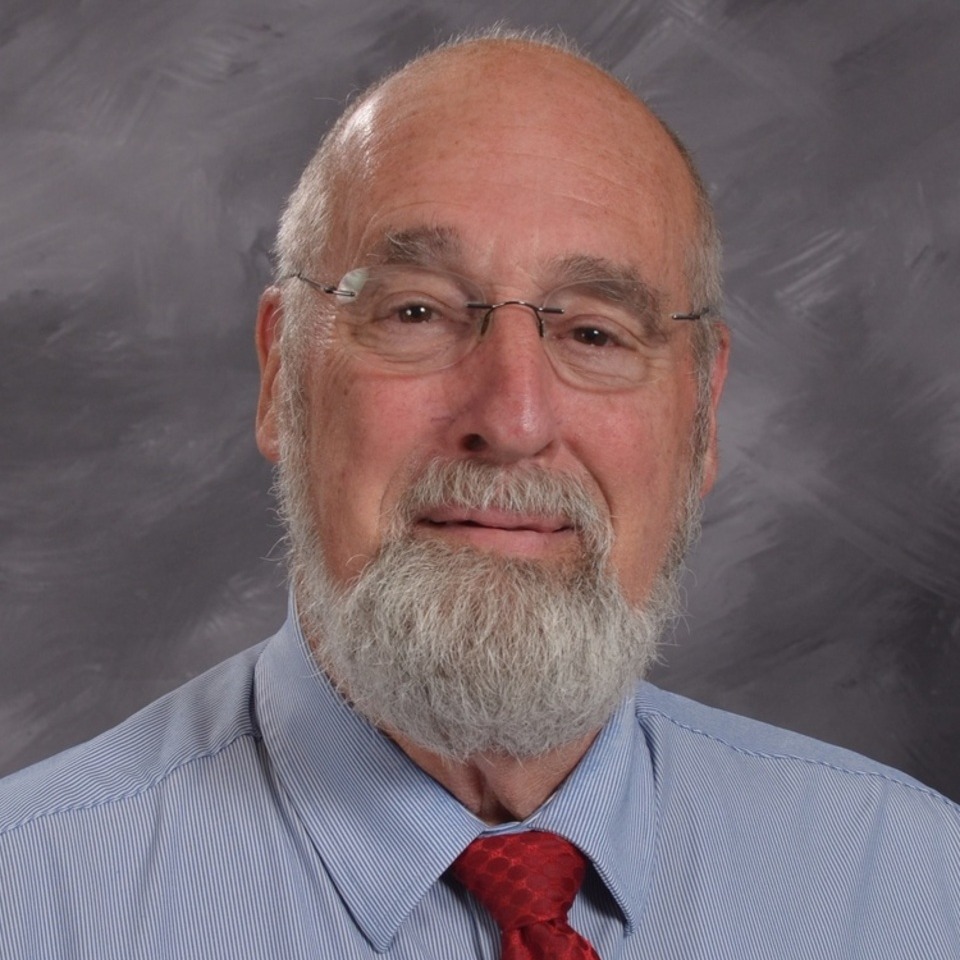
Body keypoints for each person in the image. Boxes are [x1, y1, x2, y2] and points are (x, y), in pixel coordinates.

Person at [2, 29, 958, 960]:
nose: (513, 418)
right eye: (416, 312)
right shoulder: (31, 899)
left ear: (702, 412)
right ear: (281, 376)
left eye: (594, 333)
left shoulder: (912, 887)